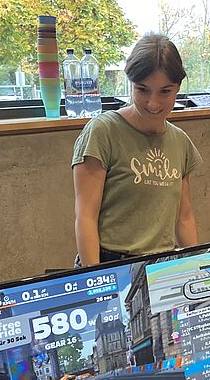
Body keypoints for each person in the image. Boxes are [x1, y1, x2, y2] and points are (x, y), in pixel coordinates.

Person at [72, 33, 202, 266]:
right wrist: (96, 278)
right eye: (143, 90)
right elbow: (85, 217)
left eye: (165, 91)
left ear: (178, 88)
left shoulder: (180, 142)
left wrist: (195, 268)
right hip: (109, 262)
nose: (153, 103)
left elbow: (184, 218)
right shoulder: (103, 132)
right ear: (130, 84)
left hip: (161, 266)